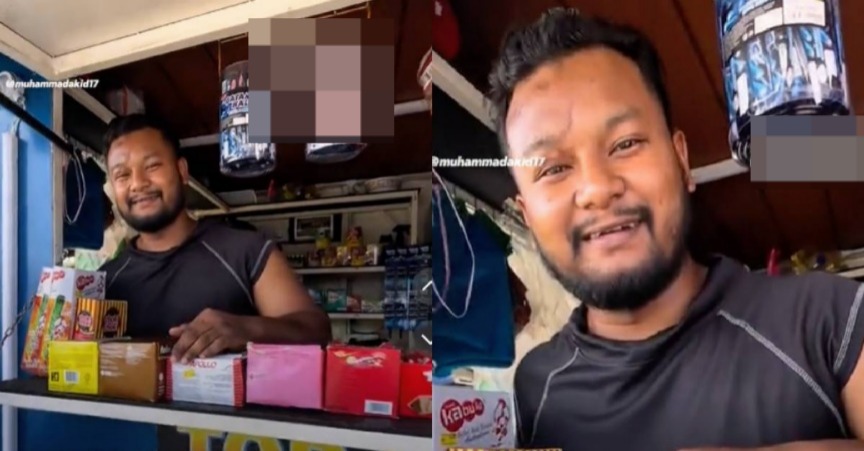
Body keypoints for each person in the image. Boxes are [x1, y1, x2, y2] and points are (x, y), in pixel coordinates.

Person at [488, 8, 863, 451]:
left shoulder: (831, 317)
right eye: (552, 168)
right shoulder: (534, 389)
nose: (597, 189)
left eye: (626, 143)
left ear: (681, 161)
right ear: (527, 216)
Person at [100, 114, 331, 362]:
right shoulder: (104, 281)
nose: (137, 183)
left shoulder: (247, 251)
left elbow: (317, 331)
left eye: (152, 166)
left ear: (181, 171)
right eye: (122, 175)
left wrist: (246, 329)